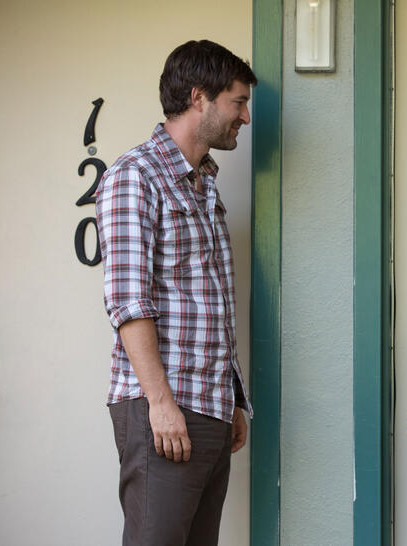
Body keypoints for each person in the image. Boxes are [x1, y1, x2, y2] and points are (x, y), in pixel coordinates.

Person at [95, 39, 257, 546]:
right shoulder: (134, 176)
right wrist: (160, 404)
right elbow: (128, 301)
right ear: (198, 98)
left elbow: (208, 299)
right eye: (237, 102)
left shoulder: (203, 182)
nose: (245, 117)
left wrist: (231, 399)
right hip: (164, 410)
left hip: (207, 406)